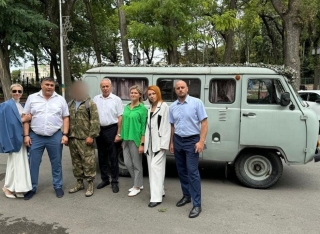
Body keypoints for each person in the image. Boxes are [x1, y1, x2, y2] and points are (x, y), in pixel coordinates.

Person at [23, 77, 69, 200]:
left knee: (56, 163)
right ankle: (32, 188)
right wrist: (26, 135)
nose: (49, 87)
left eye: (52, 85)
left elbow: (65, 117)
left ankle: (58, 186)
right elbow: (26, 118)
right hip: (35, 136)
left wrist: (65, 134)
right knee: (33, 163)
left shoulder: (60, 99)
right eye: (47, 84)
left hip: (55, 136)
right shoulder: (32, 98)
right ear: (41, 86)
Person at [169, 80, 208, 218]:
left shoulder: (196, 103)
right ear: (175, 90)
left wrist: (201, 141)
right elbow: (172, 126)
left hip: (192, 141)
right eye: (178, 88)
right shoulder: (172, 106)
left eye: (182, 87)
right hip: (178, 140)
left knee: (192, 172)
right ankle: (186, 196)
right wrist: (172, 142)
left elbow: (204, 122)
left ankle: (197, 205)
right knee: (181, 171)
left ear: (187, 89)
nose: (180, 90)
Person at [68, 81, 100, 197]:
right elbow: (67, 120)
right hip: (73, 138)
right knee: (76, 162)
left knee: (88, 162)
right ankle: (79, 183)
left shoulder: (90, 104)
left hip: (85, 139)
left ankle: (90, 184)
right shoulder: (70, 104)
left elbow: (95, 121)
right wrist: (66, 135)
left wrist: (91, 136)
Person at [0, 84, 32, 198]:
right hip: (13, 138)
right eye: (14, 91)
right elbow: (8, 123)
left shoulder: (22, 105)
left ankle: (18, 188)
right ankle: (7, 187)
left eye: (19, 91)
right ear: (10, 92)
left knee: (21, 164)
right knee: (14, 163)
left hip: (22, 138)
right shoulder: (6, 105)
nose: (17, 93)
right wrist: (24, 119)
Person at [93, 78, 123, 193]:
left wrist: (118, 133)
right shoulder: (96, 99)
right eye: (103, 86)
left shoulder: (116, 99)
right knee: (101, 156)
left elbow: (120, 117)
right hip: (99, 130)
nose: (105, 88)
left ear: (111, 87)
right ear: (100, 87)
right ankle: (104, 179)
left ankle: (114, 181)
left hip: (112, 129)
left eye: (107, 86)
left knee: (113, 157)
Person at [144, 86, 170, 208]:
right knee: (153, 169)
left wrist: (164, 144)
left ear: (158, 94)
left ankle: (156, 197)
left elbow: (166, 126)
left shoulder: (164, 107)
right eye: (149, 94)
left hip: (159, 143)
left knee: (155, 168)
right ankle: (161, 191)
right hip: (150, 144)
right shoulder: (150, 108)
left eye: (153, 93)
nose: (151, 96)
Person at [121, 85, 147, 197]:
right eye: (131, 92)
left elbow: (143, 128)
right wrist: (120, 135)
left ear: (140, 95)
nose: (133, 94)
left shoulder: (142, 109)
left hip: (135, 139)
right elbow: (122, 122)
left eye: (135, 93)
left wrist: (142, 143)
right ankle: (138, 183)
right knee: (127, 163)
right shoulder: (127, 107)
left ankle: (137, 186)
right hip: (125, 138)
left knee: (137, 164)